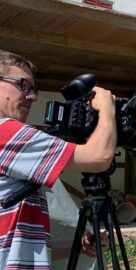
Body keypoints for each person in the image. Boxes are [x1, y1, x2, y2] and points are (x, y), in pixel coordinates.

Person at [0, 50, 116, 269]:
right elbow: (99, 157)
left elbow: (18, 242)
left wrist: (79, 247)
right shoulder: (5, 132)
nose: (32, 96)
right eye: (22, 85)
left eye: (33, 89)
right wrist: (107, 110)